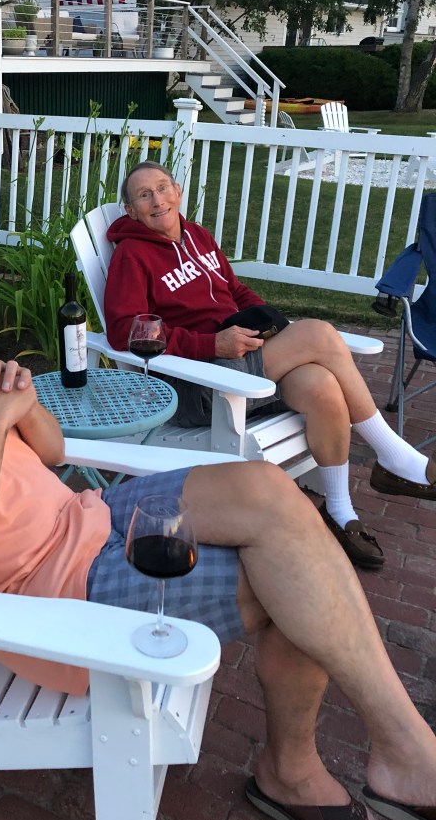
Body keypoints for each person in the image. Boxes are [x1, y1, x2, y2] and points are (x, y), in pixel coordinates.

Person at [0, 232, 436, 820]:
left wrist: (21, 402)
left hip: (88, 518)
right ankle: (311, 770)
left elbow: (52, 451)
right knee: (292, 577)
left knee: (269, 489)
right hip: (55, 596)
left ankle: (402, 747)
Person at [103, 161, 436, 571]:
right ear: (131, 210)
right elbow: (123, 331)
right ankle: (394, 455)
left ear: (178, 192)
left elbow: (233, 290)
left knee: (321, 384)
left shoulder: (198, 237)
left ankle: (340, 511)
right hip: (198, 383)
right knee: (318, 334)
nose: (157, 200)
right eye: (144, 195)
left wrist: (268, 321)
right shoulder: (132, 255)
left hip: (240, 360)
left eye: (162, 188)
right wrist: (212, 344)